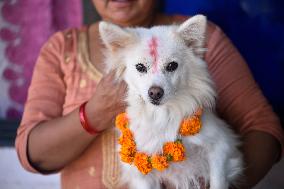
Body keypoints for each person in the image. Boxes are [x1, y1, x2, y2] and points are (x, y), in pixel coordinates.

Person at [15, 0, 284, 188]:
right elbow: (31, 152)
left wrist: (218, 183)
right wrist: (95, 113)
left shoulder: (197, 38)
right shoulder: (63, 49)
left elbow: (263, 127)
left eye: (170, 67)